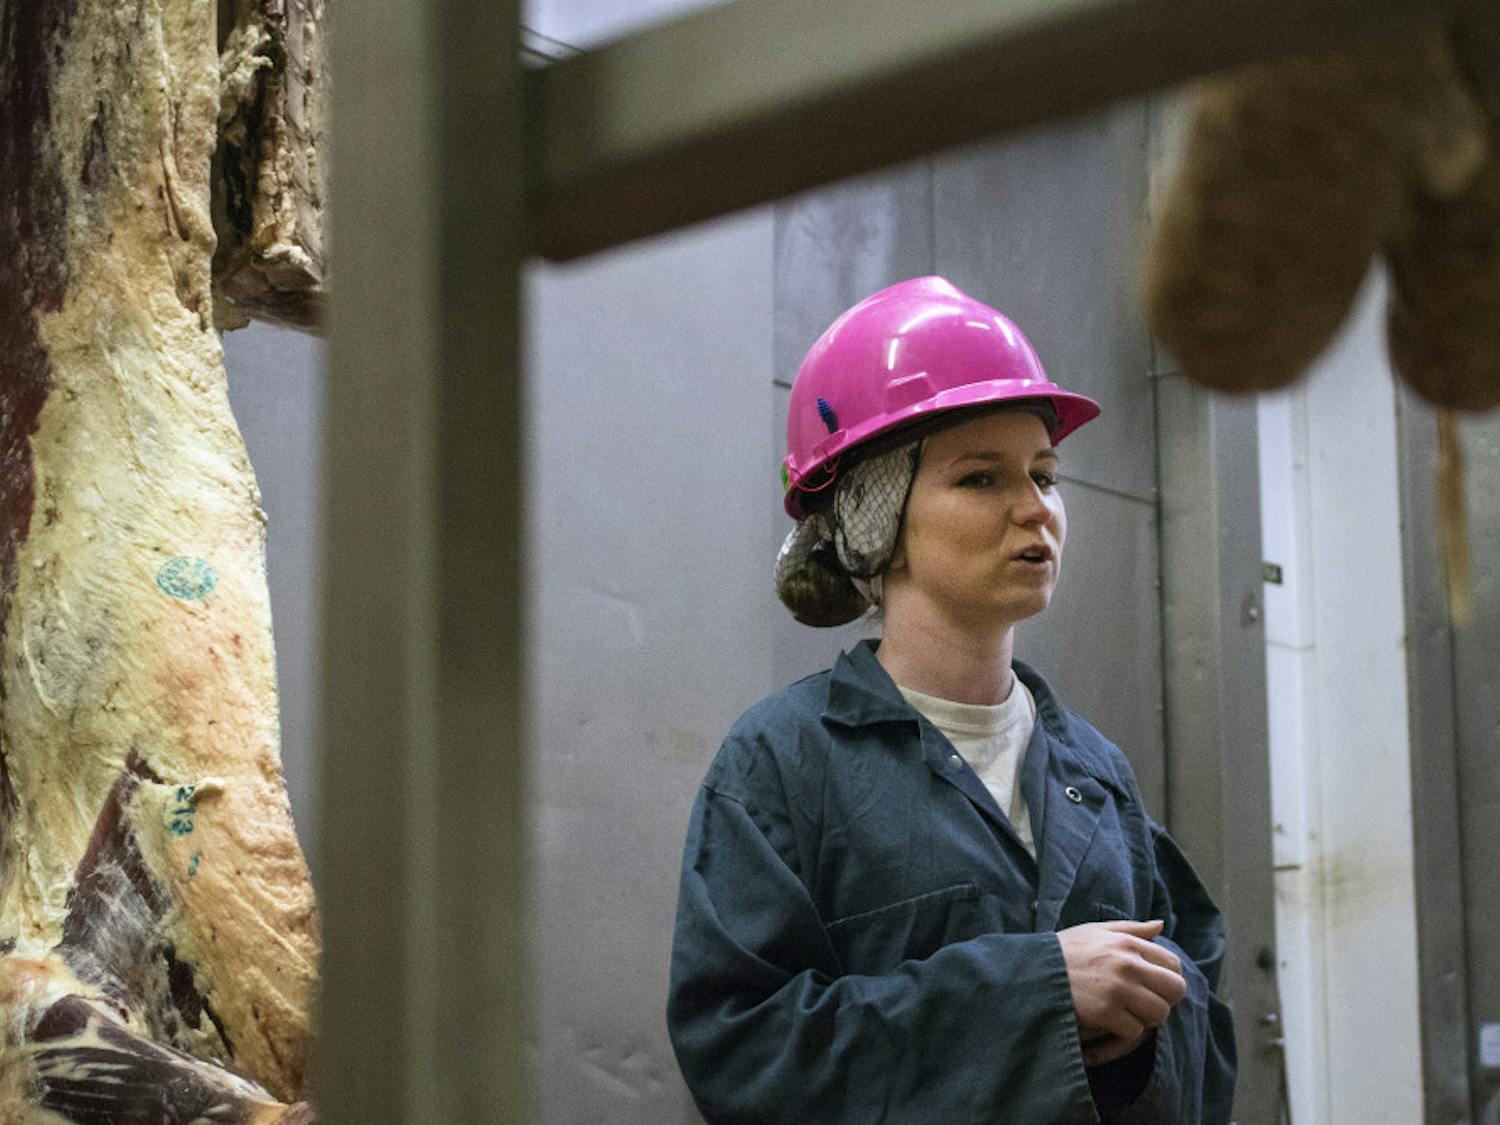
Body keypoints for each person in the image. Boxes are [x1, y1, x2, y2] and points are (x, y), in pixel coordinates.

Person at [666, 277, 1236, 1123]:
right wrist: (1036, 992)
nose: (1035, 508)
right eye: (980, 478)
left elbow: (1206, 1018)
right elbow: (742, 1053)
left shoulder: (1097, 775)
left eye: (1044, 474)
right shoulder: (781, 763)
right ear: (875, 520)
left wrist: (1141, 1037)